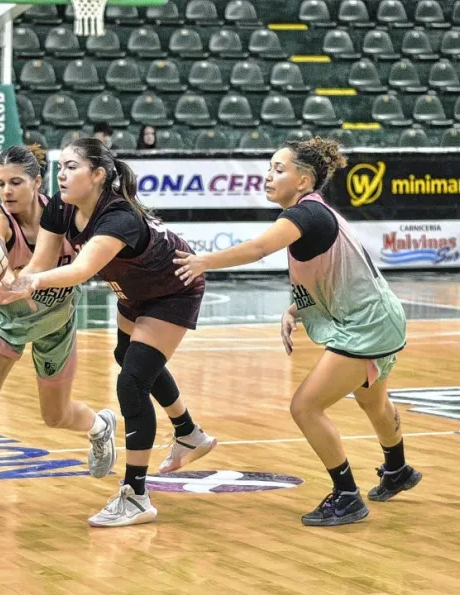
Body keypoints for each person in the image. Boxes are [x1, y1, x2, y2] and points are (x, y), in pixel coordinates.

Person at [173, 137, 421, 527]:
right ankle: (398, 470)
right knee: (373, 404)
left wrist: (205, 260)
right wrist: (297, 308)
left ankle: (347, 495)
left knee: (305, 407)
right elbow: (334, 276)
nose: (269, 176)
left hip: (368, 326)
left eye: (278, 169)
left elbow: (257, 249)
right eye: (269, 168)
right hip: (379, 316)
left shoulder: (305, 216)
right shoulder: (312, 215)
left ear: (303, 181)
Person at [0, 138, 217, 528]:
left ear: (99, 175)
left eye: (72, 167)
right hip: (134, 291)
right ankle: (188, 431)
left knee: (132, 381)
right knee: (127, 357)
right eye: (60, 167)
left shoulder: (118, 217)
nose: (62, 174)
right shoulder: (61, 207)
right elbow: (40, 263)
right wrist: (3, 288)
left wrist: (21, 285)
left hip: (173, 288)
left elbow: (80, 271)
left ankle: (136, 495)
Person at [0, 145, 118, 511]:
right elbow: (5, 271)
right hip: (3, 322)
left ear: (37, 182)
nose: (6, 191)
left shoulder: (65, 213)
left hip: (55, 322)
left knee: (55, 417)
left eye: (15, 182)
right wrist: (6, 283)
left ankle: (100, 427)